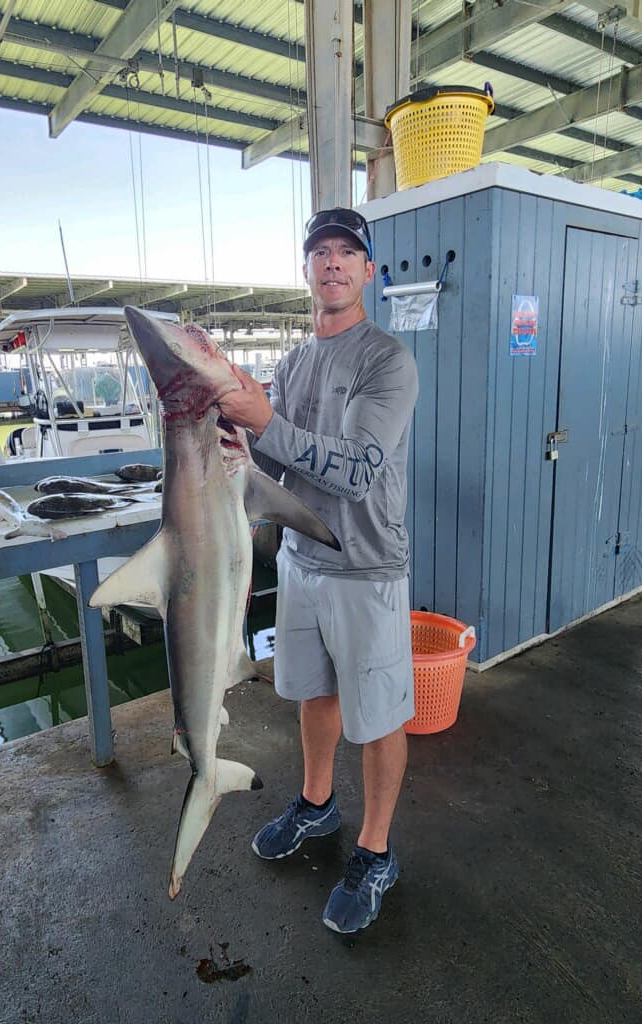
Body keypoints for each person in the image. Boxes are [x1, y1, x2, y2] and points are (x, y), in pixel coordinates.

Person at [217, 207, 418, 934]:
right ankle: (315, 802)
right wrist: (238, 428)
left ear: (368, 271)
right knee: (314, 692)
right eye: (319, 253)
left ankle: (375, 851)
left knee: (381, 716)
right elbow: (278, 460)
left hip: (366, 567)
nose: (332, 263)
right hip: (300, 559)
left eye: (346, 252)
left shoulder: (386, 360)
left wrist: (265, 422)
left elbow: (359, 471)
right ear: (305, 271)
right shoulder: (296, 361)